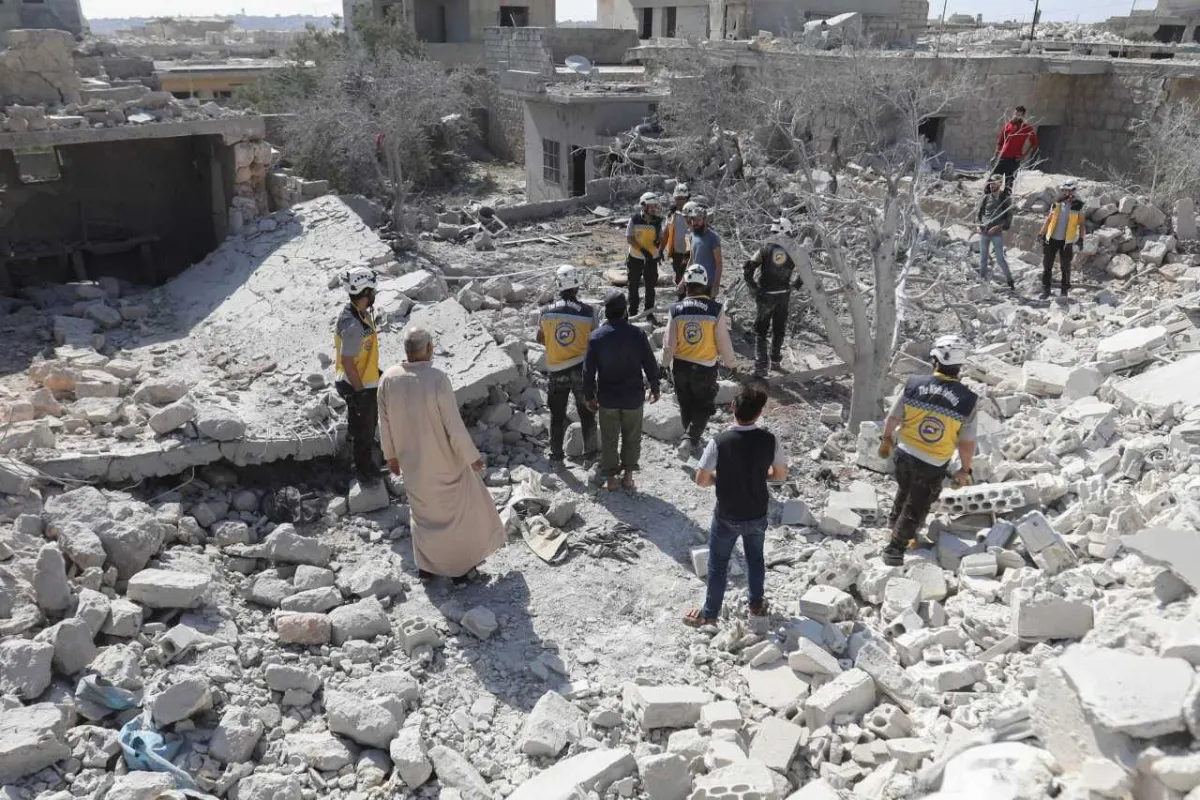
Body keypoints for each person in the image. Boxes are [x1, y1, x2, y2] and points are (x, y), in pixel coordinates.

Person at [377, 326, 505, 584]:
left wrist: (390, 456)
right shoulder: (437, 379)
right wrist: (471, 456)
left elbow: (384, 422)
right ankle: (460, 570)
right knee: (457, 515)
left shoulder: (388, 379)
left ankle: (427, 567)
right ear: (428, 348)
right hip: (444, 461)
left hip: (412, 464)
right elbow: (453, 425)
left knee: (423, 515)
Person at [682, 381, 788, 627]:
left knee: (718, 564)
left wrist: (720, 478)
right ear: (759, 413)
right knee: (755, 559)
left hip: (727, 515)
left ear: (732, 407)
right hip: (757, 512)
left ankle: (710, 614)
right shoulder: (769, 440)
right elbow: (780, 476)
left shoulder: (719, 442)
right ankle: (756, 605)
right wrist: (760, 475)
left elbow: (701, 480)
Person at [877, 334, 977, 567]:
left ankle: (893, 525)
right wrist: (965, 470)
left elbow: (893, 418)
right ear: (959, 365)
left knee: (905, 489)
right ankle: (895, 549)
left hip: (903, 453)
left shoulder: (913, 384)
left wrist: (886, 439)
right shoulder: (968, 400)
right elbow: (966, 443)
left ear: (935, 361)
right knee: (917, 504)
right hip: (933, 462)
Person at [583, 290, 661, 491]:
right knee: (632, 437)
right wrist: (655, 386)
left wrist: (589, 396)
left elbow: (588, 371)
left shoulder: (596, 337)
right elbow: (649, 363)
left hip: (607, 398)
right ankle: (627, 477)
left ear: (606, 312)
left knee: (609, 438)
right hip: (633, 397)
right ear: (625, 311)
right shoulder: (638, 334)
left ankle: (610, 479)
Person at [663, 264, 737, 460]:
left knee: (685, 404)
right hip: (705, 368)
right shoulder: (715, 309)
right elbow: (723, 341)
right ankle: (690, 439)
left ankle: (691, 440)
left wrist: (664, 364)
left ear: (686, 285)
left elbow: (669, 343)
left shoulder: (675, 309)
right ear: (705, 285)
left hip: (680, 366)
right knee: (703, 405)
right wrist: (732, 364)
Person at [536, 265, 598, 462]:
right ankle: (590, 456)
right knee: (587, 414)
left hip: (556, 370)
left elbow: (540, 338)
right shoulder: (589, 312)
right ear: (577, 286)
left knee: (557, 415)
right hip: (582, 369)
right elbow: (594, 340)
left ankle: (556, 456)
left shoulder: (545, 312)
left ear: (558, 285)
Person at [334, 267, 381, 485]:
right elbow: (347, 361)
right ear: (365, 292)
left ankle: (365, 465)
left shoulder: (357, 313)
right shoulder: (353, 324)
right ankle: (363, 472)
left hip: (363, 378)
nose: (374, 294)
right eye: (372, 291)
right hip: (357, 383)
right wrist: (360, 392)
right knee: (364, 430)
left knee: (364, 427)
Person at [744, 217, 802, 377]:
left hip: (766, 295)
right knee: (779, 328)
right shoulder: (794, 250)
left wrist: (754, 287)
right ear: (788, 231)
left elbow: (748, 269)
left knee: (761, 331)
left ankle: (761, 367)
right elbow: (806, 270)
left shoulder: (765, 248)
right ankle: (775, 361)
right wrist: (795, 285)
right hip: (783, 295)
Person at [1039, 178, 1085, 299]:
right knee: (1047, 266)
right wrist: (1041, 233)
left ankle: (1064, 292)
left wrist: (1081, 239)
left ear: (1075, 190)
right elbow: (1049, 219)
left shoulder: (1078, 206)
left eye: (1071, 190)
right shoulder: (1056, 203)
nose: (1068, 193)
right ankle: (1046, 290)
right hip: (1051, 240)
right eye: (1066, 190)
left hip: (1066, 242)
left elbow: (1082, 224)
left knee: (1065, 268)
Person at [626, 192, 664, 319]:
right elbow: (630, 238)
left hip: (651, 258)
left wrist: (659, 248)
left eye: (654, 206)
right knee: (633, 286)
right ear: (643, 206)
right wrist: (643, 250)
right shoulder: (634, 219)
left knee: (650, 287)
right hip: (635, 258)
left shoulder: (657, 221)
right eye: (650, 206)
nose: (653, 208)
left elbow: (660, 238)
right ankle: (633, 313)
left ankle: (649, 313)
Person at [976, 174, 1015, 290]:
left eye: (994, 183)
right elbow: (978, 214)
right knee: (983, 258)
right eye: (990, 183)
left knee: (1000, 259)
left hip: (996, 234)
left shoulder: (1005, 199)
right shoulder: (986, 198)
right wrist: (978, 226)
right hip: (984, 232)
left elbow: (1008, 218)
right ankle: (982, 282)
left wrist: (998, 227)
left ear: (1000, 183)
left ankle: (1010, 282)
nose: (991, 185)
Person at [682, 202, 723, 297]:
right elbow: (691, 259)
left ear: (704, 220)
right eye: (693, 219)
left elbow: (719, 264)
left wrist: (716, 286)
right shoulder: (692, 235)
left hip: (708, 285)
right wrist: (683, 281)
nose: (695, 223)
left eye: (698, 220)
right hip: (693, 283)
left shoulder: (713, 238)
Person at [994, 105, 1038, 190]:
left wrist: (1024, 156)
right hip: (1002, 158)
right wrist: (995, 156)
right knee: (994, 181)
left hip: (1014, 160)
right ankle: (989, 198)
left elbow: (1034, 143)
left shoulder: (1026, 128)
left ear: (1023, 116)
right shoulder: (1008, 125)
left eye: (1019, 114)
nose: (1016, 116)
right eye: (1015, 114)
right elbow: (1000, 142)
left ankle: (1006, 198)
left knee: (1009, 184)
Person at [664, 182, 692, 290]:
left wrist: (689, 252)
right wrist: (660, 249)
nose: (680, 201)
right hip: (676, 254)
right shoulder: (671, 214)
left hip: (691, 253)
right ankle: (681, 299)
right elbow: (666, 232)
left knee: (690, 280)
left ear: (687, 198)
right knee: (679, 279)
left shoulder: (693, 213)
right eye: (677, 198)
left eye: (682, 198)